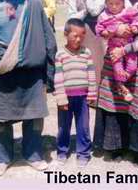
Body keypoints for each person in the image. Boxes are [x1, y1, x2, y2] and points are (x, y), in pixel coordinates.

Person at [0, 0, 57, 177]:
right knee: (2, 117)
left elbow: (47, 36)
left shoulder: (33, 2)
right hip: (3, 70)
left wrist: (50, 73)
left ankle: (32, 154)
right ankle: (2, 157)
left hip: (32, 72)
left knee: (34, 117)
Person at [93, 0, 138, 166]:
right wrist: (114, 32)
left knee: (136, 105)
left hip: (137, 61)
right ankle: (115, 147)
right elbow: (101, 31)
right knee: (113, 104)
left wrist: (125, 49)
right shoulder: (113, 5)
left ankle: (137, 149)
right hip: (113, 61)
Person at [53, 18, 97, 167]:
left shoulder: (87, 53)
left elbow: (91, 74)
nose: (78, 39)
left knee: (83, 126)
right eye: (75, 36)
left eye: (82, 36)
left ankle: (83, 153)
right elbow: (58, 77)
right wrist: (61, 98)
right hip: (66, 98)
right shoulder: (60, 55)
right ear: (66, 34)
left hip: (83, 97)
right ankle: (62, 151)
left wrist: (92, 93)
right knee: (63, 126)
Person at [96, 0, 138, 101]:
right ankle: (121, 85)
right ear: (106, 3)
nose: (114, 7)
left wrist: (135, 27)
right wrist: (107, 32)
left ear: (123, 2)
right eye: (110, 4)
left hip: (128, 46)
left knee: (132, 66)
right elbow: (99, 29)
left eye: (117, 3)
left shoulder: (128, 11)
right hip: (114, 47)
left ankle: (122, 79)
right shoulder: (103, 16)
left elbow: (137, 20)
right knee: (117, 67)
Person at [67, 0, 106, 90]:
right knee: (81, 61)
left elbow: (94, 11)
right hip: (79, 33)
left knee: (96, 60)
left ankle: (97, 93)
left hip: (95, 33)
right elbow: (71, 17)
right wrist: (84, 12)